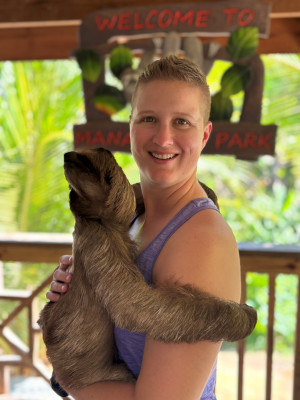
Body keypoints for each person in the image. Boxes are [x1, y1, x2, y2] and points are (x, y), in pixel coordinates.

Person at [47, 55, 241, 400]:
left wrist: (71, 379)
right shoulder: (132, 217)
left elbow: (133, 308)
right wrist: (80, 295)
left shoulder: (201, 240)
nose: (163, 138)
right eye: (149, 119)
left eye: (182, 121)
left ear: (205, 133)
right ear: (131, 126)